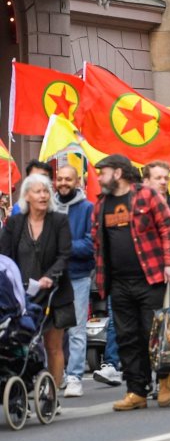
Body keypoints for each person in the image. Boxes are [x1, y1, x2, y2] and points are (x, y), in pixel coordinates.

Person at [92, 155, 170, 411]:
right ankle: (136, 391)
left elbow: (167, 229)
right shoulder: (101, 204)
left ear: (118, 173)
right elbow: (97, 241)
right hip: (117, 282)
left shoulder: (147, 196)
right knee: (126, 337)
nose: (99, 177)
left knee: (152, 334)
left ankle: (164, 379)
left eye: (103, 172)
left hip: (150, 278)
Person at [0, 174, 76, 396]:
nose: (43, 195)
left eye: (45, 191)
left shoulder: (59, 221)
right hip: (21, 295)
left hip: (55, 293)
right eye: (37, 191)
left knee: (54, 345)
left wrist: (50, 276)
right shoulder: (14, 223)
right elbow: (4, 256)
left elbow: (65, 254)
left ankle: (51, 395)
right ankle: (20, 390)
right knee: (21, 345)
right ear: (26, 196)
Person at [52, 166, 95, 398]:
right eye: (60, 179)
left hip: (77, 276)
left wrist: (63, 248)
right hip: (53, 277)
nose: (64, 183)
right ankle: (55, 375)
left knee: (77, 328)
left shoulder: (87, 208)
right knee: (53, 329)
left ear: (77, 181)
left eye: (68, 179)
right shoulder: (49, 206)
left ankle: (75, 376)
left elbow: (90, 245)